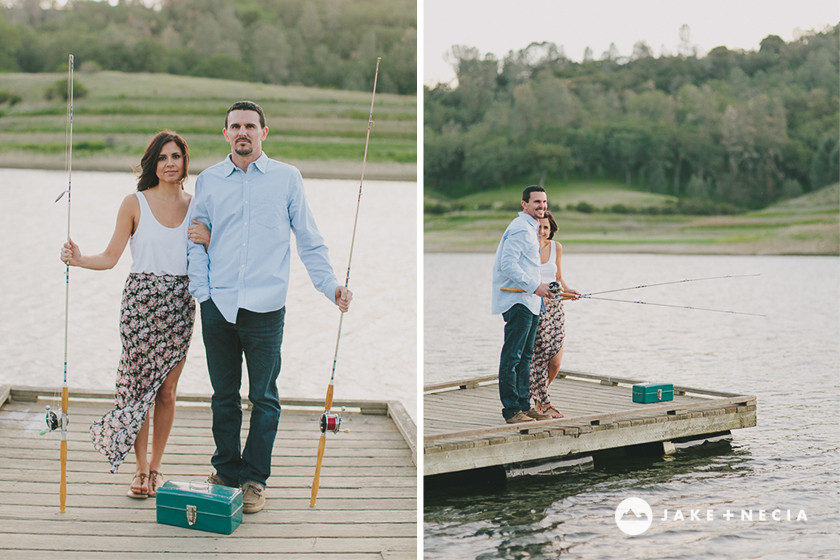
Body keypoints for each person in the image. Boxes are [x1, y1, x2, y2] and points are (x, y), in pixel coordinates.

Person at [187, 100, 352, 514]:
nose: (243, 132)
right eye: (235, 126)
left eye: (250, 126)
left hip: (265, 307)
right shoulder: (208, 180)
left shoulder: (287, 179)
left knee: (264, 397)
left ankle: (254, 479)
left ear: (264, 132)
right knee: (223, 396)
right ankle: (226, 473)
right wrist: (202, 292)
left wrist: (330, 286)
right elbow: (194, 239)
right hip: (217, 305)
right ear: (225, 133)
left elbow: (309, 240)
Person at [60, 131, 197, 498]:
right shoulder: (134, 203)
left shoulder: (196, 206)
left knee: (167, 391)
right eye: (163, 157)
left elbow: (208, 257)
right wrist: (79, 258)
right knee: (139, 392)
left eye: (176, 157)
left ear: (185, 162)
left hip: (180, 304)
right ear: (153, 163)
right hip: (140, 305)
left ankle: (155, 469)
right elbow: (110, 257)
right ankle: (138, 469)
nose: (170, 164)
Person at [491, 185, 556, 424]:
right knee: (513, 356)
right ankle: (511, 411)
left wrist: (547, 289)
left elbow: (529, 266)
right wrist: (534, 286)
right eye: (537, 202)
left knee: (526, 356)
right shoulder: (520, 229)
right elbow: (508, 265)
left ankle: (523, 405)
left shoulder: (532, 228)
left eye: (544, 202)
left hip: (531, 300)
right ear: (524, 204)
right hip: (517, 299)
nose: (542, 206)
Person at [529, 211, 579, 418]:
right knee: (539, 358)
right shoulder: (527, 249)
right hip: (536, 307)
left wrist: (569, 291)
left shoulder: (556, 247)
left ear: (551, 229)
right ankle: (543, 402)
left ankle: (536, 397)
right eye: (538, 227)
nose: (542, 231)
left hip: (556, 308)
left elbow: (558, 277)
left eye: (546, 227)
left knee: (556, 362)